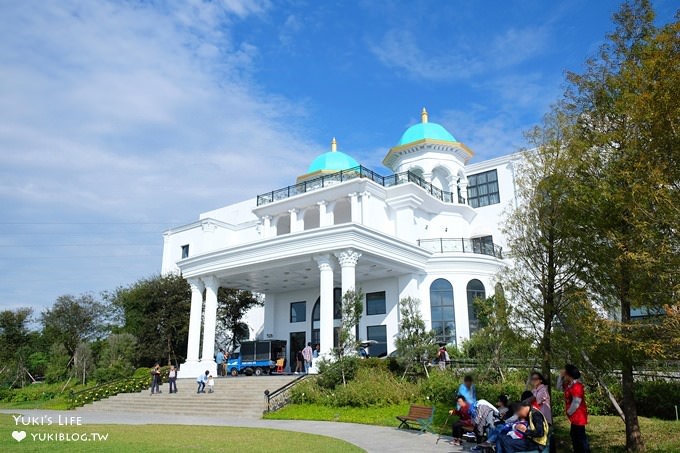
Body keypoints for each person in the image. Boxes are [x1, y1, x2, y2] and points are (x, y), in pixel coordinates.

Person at [558, 364, 590, 453]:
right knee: (574, 435)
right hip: (574, 417)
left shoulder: (577, 386)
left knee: (580, 438)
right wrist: (560, 376)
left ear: (569, 374)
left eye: (565, 373)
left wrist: (569, 412)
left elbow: (576, 402)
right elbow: (559, 387)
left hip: (578, 417)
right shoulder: (569, 384)